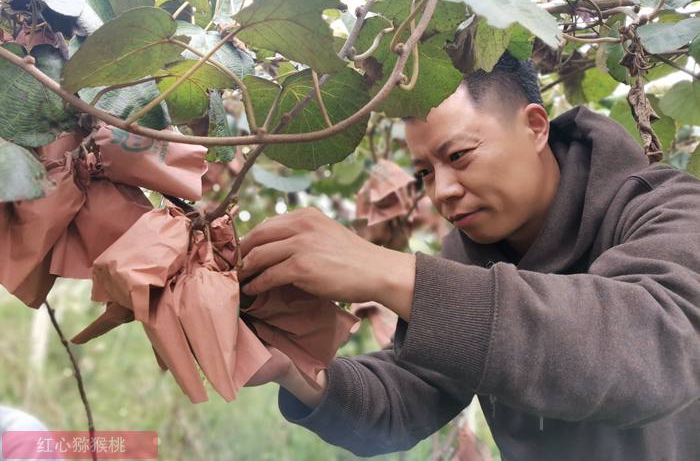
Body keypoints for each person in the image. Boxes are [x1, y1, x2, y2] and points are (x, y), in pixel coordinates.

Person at [238, 53, 700, 460]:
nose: (442, 191)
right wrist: (299, 370)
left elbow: (656, 352)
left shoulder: (670, 209)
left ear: (535, 127)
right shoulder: (466, 253)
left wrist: (388, 271)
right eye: (424, 172)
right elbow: (408, 393)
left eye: (458, 155)